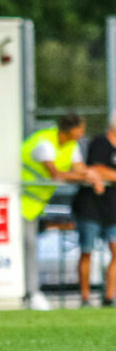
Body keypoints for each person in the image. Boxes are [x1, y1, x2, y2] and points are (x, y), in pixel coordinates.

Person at [21, 111, 101, 310]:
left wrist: (91, 174)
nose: (82, 134)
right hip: (18, 202)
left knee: (30, 248)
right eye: (80, 130)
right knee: (25, 247)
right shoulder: (44, 144)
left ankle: (31, 293)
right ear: (72, 129)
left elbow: (80, 168)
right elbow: (56, 175)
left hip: (34, 205)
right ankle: (28, 293)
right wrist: (87, 177)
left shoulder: (71, 146)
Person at [70, 113, 116, 306]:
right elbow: (96, 168)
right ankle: (85, 297)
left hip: (112, 208)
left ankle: (109, 297)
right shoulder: (100, 142)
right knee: (87, 250)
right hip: (90, 207)